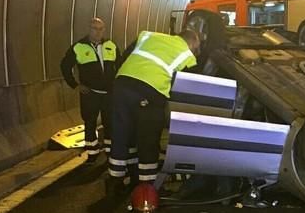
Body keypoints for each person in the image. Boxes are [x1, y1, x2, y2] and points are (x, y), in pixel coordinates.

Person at [107, 29, 201, 196]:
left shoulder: (148, 35)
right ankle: (148, 186)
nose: (195, 51)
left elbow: (125, 57)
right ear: (192, 43)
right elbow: (185, 86)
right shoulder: (187, 55)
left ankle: (116, 180)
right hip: (149, 91)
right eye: (196, 47)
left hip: (121, 85)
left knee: (123, 134)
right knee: (148, 138)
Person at [60, 17, 120, 163]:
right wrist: (75, 85)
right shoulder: (79, 47)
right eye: (94, 28)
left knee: (110, 122)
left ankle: (110, 151)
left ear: (104, 30)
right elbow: (65, 66)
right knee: (90, 122)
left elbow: (120, 65)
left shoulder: (111, 45)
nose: (98, 32)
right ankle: (92, 153)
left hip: (109, 94)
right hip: (90, 93)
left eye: (100, 29)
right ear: (89, 29)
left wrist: (118, 84)